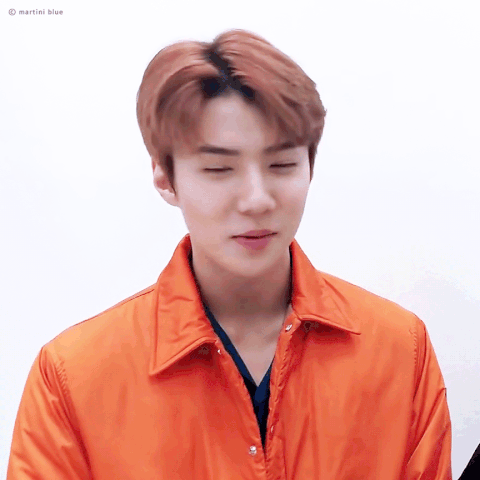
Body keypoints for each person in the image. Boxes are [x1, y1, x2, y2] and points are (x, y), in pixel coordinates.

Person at [7, 29, 452, 479]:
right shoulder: (73, 376)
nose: (257, 199)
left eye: (282, 164)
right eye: (219, 169)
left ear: (310, 167)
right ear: (164, 178)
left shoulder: (400, 351)